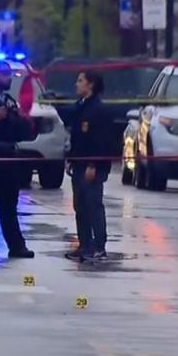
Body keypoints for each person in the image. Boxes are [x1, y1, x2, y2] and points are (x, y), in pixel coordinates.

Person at [0, 61, 35, 259]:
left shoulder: (9, 100)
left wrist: (21, 118)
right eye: (5, 74)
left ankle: (17, 245)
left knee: (9, 205)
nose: (10, 78)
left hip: (9, 156)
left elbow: (21, 131)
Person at [65, 70, 114, 262]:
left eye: (80, 81)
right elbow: (75, 135)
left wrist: (93, 164)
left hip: (92, 166)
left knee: (93, 206)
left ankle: (99, 246)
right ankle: (84, 244)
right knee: (80, 206)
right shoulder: (80, 107)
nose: (76, 84)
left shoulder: (97, 110)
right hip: (78, 164)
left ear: (90, 84)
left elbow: (102, 141)